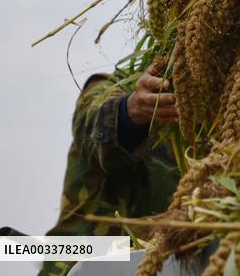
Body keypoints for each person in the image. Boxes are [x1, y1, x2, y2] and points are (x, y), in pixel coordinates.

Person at [38, 68, 180, 276]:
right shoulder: (114, 87)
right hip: (86, 266)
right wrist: (132, 110)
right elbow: (92, 124)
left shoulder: (213, 123)